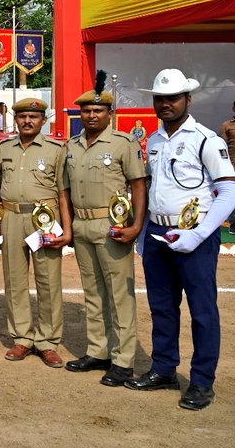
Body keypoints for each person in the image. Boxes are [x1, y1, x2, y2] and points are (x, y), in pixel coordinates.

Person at [125, 69, 235, 410]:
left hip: (196, 236)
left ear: (189, 99)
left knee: (202, 312)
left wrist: (200, 234)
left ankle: (202, 382)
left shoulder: (207, 140)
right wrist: (144, 235)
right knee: (162, 307)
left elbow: (229, 192)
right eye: (160, 98)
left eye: (172, 98)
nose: (165, 104)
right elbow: (153, 190)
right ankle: (164, 369)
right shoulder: (154, 140)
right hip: (158, 234)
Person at [60, 73, 147, 387]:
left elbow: (138, 184)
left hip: (113, 227)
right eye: (86, 110)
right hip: (82, 224)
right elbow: (65, 191)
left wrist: (136, 224)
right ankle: (98, 351)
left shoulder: (124, 143)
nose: (91, 115)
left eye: (97, 110)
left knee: (119, 295)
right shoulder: (72, 146)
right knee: (93, 292)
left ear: (109, 113)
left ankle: (123, 360)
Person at [0, 98, 70, 367]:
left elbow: (63, 192)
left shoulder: (56, 149)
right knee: (14, 279)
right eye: (23, 116)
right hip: (11, 216)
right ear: (15, 119)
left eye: (33, 117)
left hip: (45, 219)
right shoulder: (3, 148)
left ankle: (48, 342)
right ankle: (22, 338)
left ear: (43, 120)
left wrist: (67, 229)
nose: (27, 121)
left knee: (48, 280)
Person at [219, 101, 235, 235]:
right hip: (232, 166)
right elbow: (222, 147)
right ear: (233, 108)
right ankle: (233, 224)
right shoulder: (226, 125)